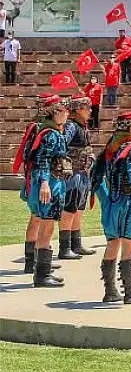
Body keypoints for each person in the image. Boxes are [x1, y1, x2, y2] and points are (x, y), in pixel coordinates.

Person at [89, 111, 131, 303]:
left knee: (112, 243)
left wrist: (105, 198)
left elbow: (94, 176)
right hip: (129, 202)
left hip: (112, 201)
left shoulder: (110, 148)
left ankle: (110, 291)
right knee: (130, 244)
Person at [16, 94, 70, 287]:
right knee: (47, 226)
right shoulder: (51, 134)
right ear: (55, 112)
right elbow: (43, 160)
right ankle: (41, 275)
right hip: (50, 183)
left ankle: (41, 270)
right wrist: (46, 183)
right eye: (64, 110)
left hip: (45, 181)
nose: (67, 114)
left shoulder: (48, 131)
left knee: (44, 223)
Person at [57, 97, 97, 261]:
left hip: (83, 173)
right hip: (73, 174)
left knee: (79, 209)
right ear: (78, 109)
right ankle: (64, 247)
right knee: (69, 209)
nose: (90, 111)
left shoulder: (82, 126)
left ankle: (76, 244)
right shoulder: (72, 126)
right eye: (87, 108)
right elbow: (62, 145)